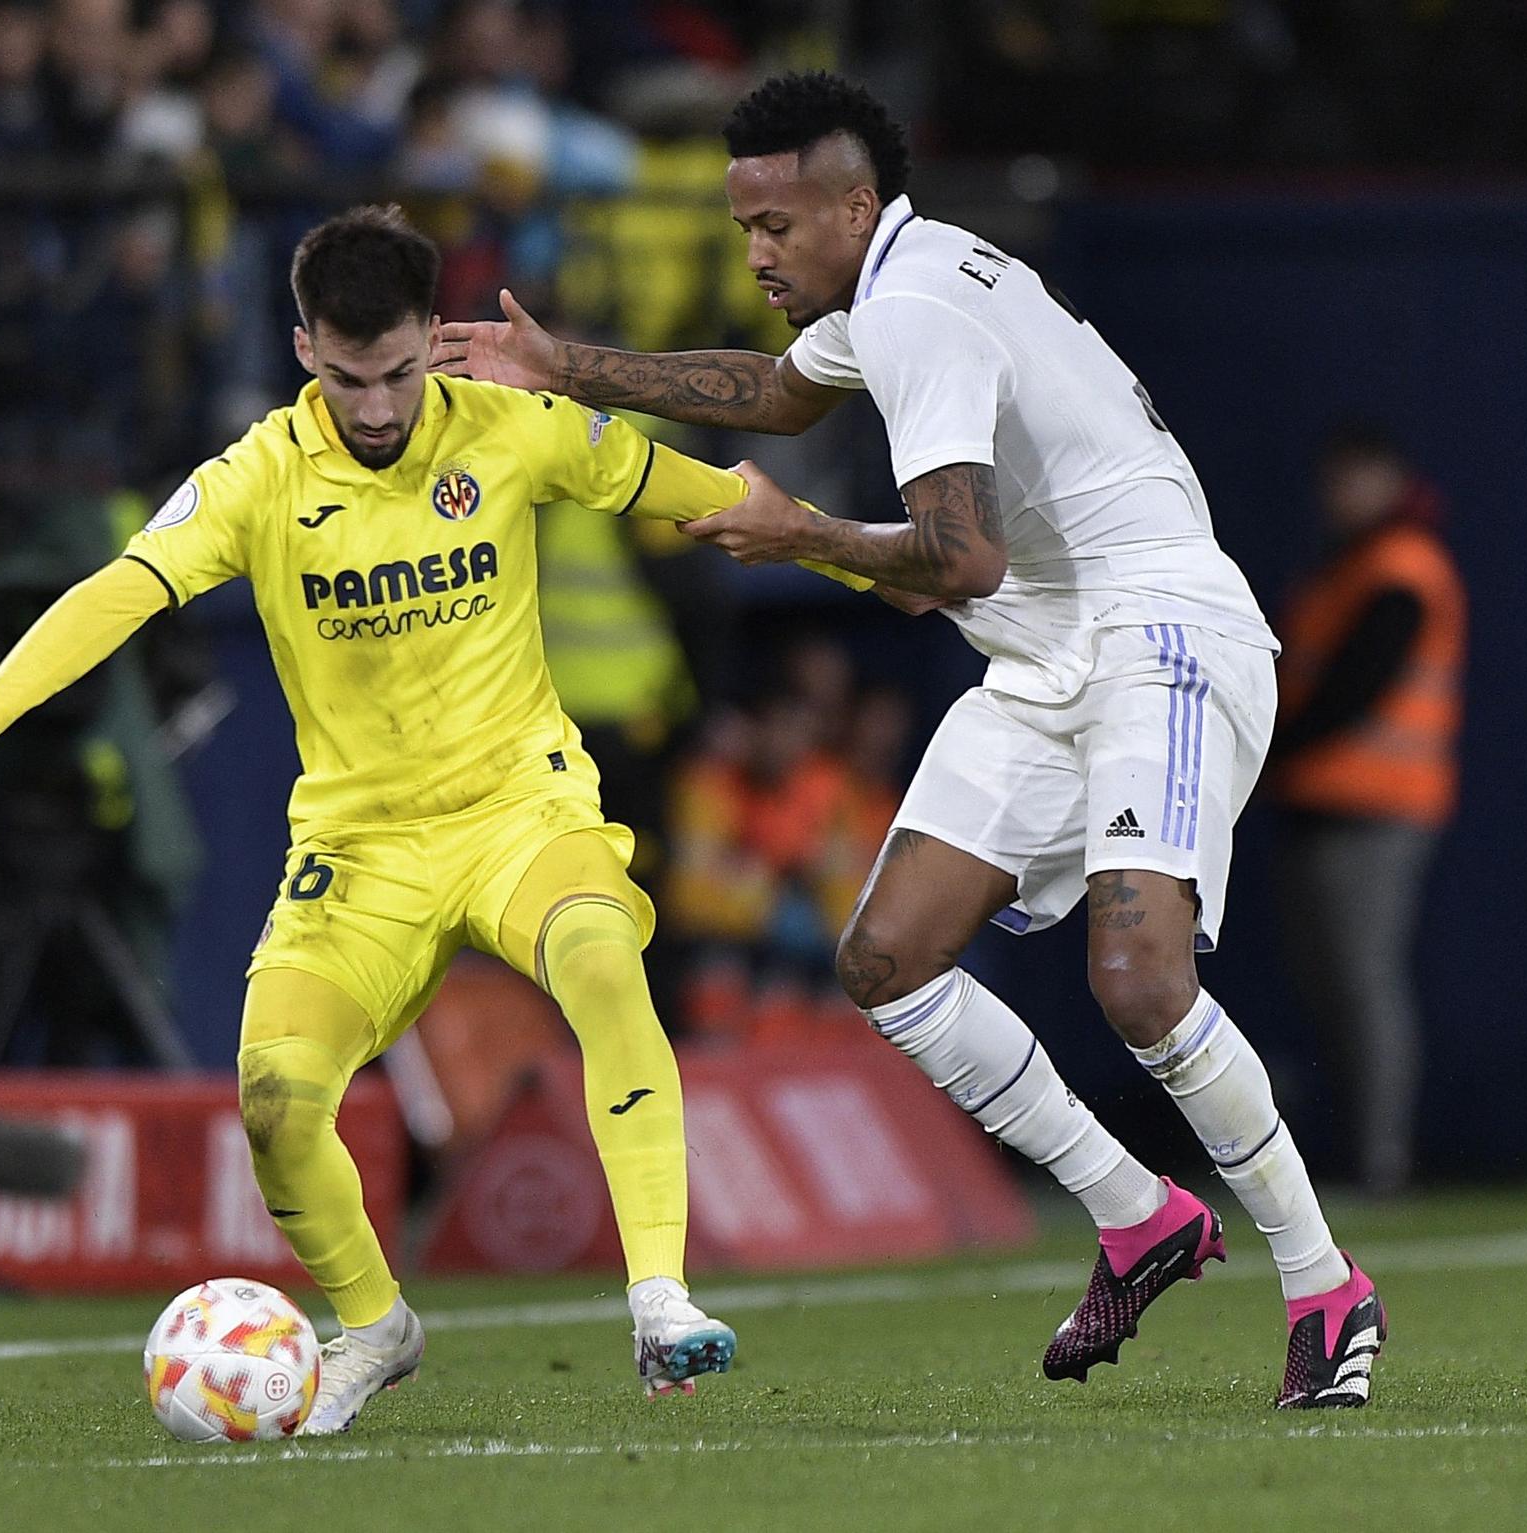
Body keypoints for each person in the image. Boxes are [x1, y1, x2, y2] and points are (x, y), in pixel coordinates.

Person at [437, 71, 1383, 1409]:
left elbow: (958, 555)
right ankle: (1139, 1215)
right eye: (740, 225)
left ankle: (1324, 1282)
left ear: (853, 204)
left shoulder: (919, 307)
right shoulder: (898, 283)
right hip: (1046, 654)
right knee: (886, 959)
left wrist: (802, 535)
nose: (753, 251)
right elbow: (772, 394)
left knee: (1140, 983)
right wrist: (556, 362)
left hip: (1158, 637)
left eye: (774, 225)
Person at [0, 205, 866, 1432]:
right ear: (305, 346)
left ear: (435, 339)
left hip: (520, 807)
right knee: (272, 1098)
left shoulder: (516, 432)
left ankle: (660, 1298)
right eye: (351, 377)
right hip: (359, 850)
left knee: (598, 959)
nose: (377, 407)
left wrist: (864, 562)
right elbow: (122, 590)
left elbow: (705, 495)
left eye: (402, 373)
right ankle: (374, 1326)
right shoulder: (254, 477)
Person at [1270, 425, 1466, 1195]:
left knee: (1364, 984)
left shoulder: (1404, 568)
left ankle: (1382, 1161)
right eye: (1335, 477)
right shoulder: (1340, 567)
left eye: (1357, 477)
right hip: (1317, 803)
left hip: (1380, 810)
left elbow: (1355, 690)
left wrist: (1266, 752)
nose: (1340, 493)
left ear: (1392, 480)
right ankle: (1354, 1151)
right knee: (1331, 988)